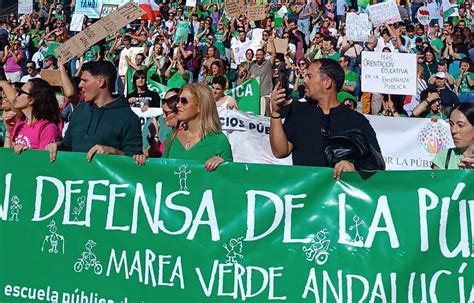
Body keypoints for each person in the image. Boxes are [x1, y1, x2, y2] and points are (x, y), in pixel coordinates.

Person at [270, 58, 383, 180]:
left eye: (309, 76)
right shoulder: (298, 111)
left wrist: (355, 167)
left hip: (340, 197)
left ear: (327, 82)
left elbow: (379, 163)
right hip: (304, 196)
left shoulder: (357, 120)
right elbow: (280, 151)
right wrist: (275, 113)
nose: (304, 80)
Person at [46, 60, 142, 162]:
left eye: (85, 81)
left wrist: (113, 151)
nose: (80, 85)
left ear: (101, 82)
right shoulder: (79, 110)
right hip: (76, 177)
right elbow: (68, 145)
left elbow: (134, 161)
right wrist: (57, 146)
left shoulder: (128, 118)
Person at [163, 83, 233, 171]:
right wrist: (143, 161)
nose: (178, 105)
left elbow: (229, 178)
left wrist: (223, 163)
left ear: (200, 106)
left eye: (184, 101)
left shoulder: (219, 140)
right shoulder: (172, 136)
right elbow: (161, 172)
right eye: (178, 100)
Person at [2, 78, 61, 153]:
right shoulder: (20, 124)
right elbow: (7, 158)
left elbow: (42, 162)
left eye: (20, 92)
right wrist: (8, 132)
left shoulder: (48, 128)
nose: (16, 94)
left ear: (31, 100)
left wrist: (27, 153)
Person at [432, 103, 474, 169]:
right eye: (451, 124)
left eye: (460, 125)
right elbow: (437, 179)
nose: (453, 131)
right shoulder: (444, 157)